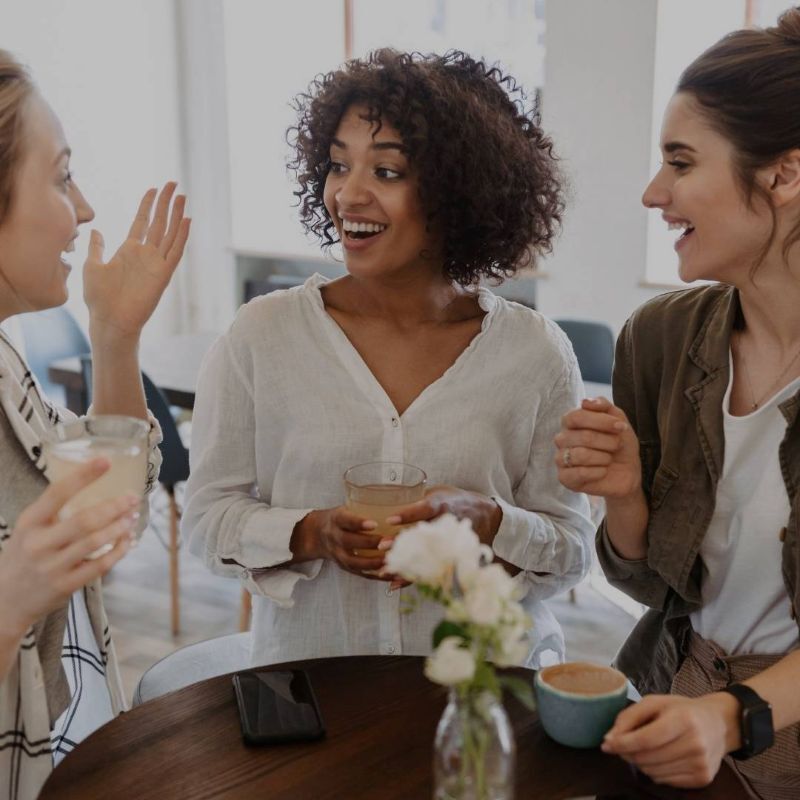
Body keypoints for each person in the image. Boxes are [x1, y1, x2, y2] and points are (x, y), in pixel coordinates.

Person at [183, 49, 593, 671]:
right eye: (338, 165)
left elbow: (571, 550)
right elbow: (206, 519)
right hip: (315, 691)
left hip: (482, 695)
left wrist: (491, 522)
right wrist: (311, 533)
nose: (349, 194)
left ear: (458, 190)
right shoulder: (264, 335)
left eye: (387, 171)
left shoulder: (534, 354)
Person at [555, 10, 800, 798]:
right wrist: (624, 492)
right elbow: (656, 589)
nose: (653, 193)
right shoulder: (661, 338)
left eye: (681, 162)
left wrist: (733, 716)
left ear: (784, 176)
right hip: (671, 699)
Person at [0, 51, 189, 799]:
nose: (83, 209)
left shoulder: (4, 364)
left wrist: (115, 335)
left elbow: (111, 509)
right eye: (62, 177)